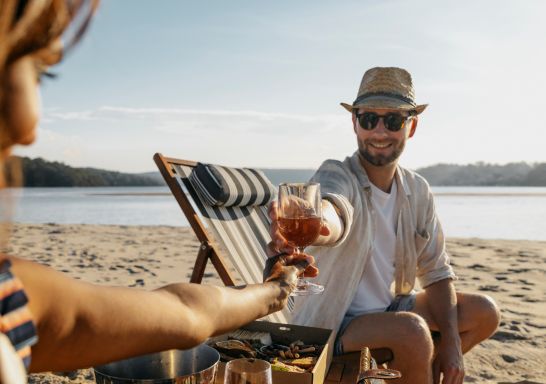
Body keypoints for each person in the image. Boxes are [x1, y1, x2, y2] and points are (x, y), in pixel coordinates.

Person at [0, 0, 318, 377]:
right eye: (34, 66)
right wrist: (275, 290)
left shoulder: (11, 302)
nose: (30, 124)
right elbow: (186, 313)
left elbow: (188, 313)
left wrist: (276, 290)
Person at [269, 67, 501, 384]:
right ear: (355, 123)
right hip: (334, 322)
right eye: (368, 119)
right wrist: (320, 219)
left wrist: (452, 344)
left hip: (390, 307)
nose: (380, 131)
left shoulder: (417, 190)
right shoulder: (338, 173)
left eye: (393, 120)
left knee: (484, 312)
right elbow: (335, 205)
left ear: (412, 126)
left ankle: (424, 375)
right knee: (412, 332)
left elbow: (437, 272)